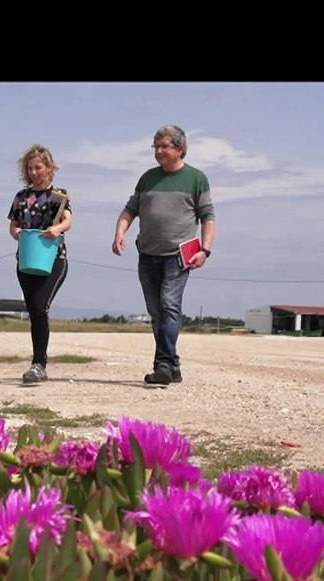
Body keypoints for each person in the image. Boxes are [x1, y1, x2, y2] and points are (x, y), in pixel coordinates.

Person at [111, 124, 215, 386]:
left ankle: (163, 365)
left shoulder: (196, 178)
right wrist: (119, 232)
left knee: (169, 306)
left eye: (164, 146)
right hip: (146, 254)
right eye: (155, 147)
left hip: (178, 256)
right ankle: (173, 366)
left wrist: (205, 250)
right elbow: (129, 210)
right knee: (156, 313)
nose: (158, 151)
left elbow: (208, 217)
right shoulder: (147, 178)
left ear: (180, 149)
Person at [7, 144, 73, 384]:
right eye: (30, 168)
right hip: (26, 259)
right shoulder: (21, 197)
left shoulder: (58, 196)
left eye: (39, 167)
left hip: (53, 259)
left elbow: (67, 221)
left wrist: (55, 229)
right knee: (34, 310)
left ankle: (39, 364)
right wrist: (16, 233)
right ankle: (37, 363)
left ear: (49, 168)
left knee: (39, 306)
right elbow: (13, 224)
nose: (34, 172)